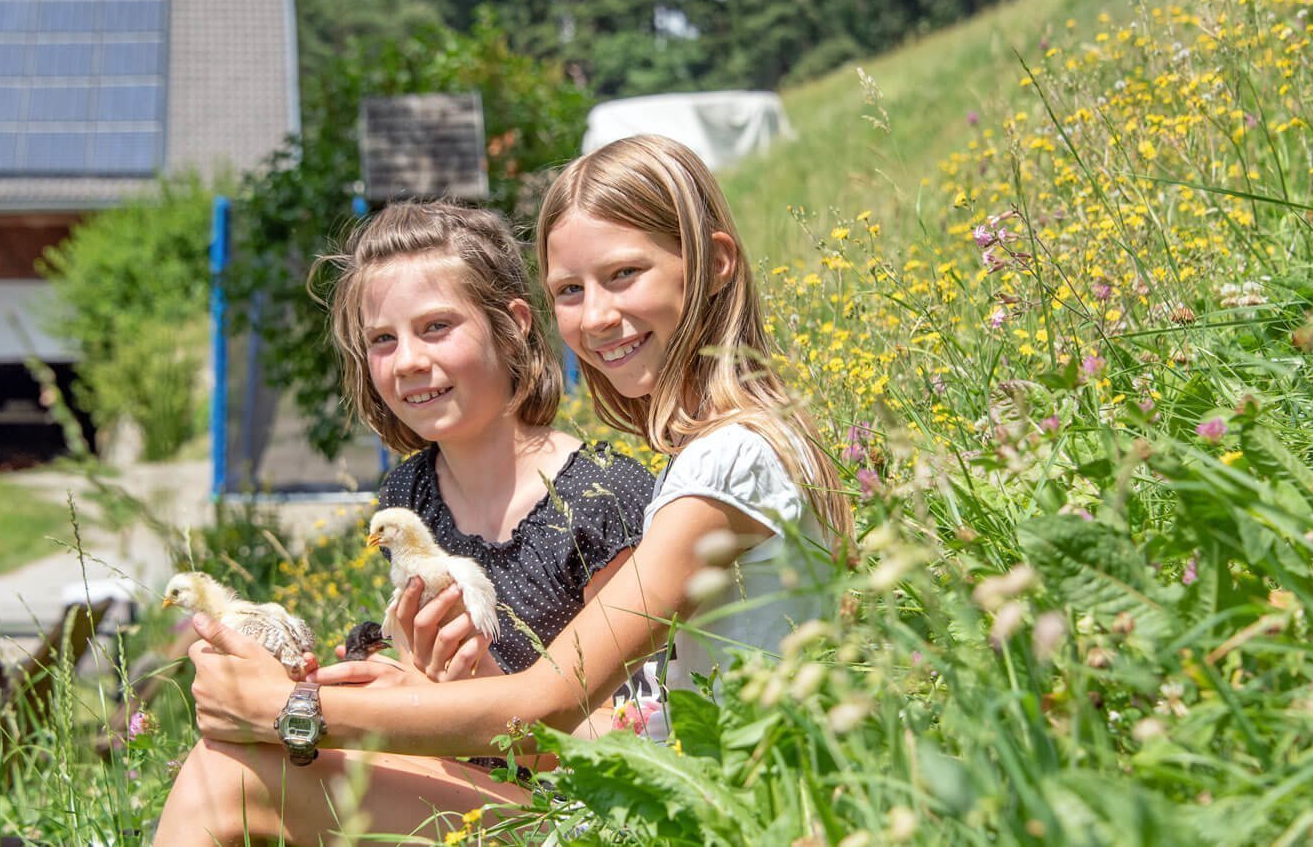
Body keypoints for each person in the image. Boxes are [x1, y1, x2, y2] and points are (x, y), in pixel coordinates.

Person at [155, 136, 850, 845]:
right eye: (571, 292)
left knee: (231, 781)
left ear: (715, 265)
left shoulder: (725, 467)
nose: (598, 316)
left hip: (691, 820)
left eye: (625, 275)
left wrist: (291, 708)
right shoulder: (712, 457)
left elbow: (547, 706)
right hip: (667, 801)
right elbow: (607, 717)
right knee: (231, 773)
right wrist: (406, 690)